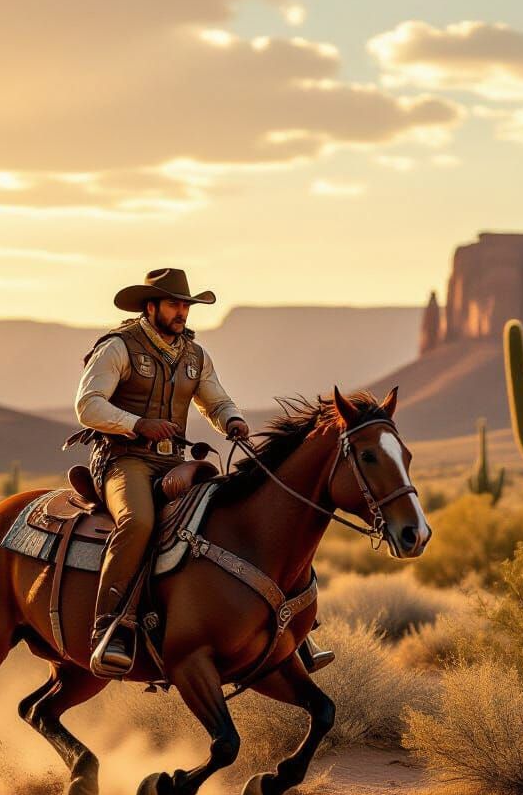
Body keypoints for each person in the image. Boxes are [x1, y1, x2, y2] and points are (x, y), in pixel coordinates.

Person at [74, 267, 334, 678]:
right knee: (138, 521)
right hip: (123, 460)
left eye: (186, 306)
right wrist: (137, 424)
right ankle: (109, 627)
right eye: (175, 305)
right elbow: (88, 405)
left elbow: (215, 400)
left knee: (232, 515)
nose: (182, 313)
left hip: (173, 462)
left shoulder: (194, 356)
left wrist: (231, 420)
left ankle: (289, 627)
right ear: (151, 306)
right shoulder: (118, 347)